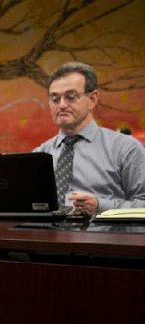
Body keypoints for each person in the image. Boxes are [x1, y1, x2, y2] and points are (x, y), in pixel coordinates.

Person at [34, 61, 145, 215]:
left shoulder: (125, 149)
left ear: (92, 99)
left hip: (105, 237)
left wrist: (100, 206)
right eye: (55, 99)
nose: (62, 105)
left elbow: (143, 203)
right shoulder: (40, 155)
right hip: (47, 237)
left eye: (71, 97)